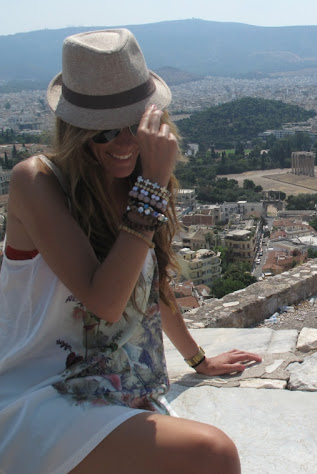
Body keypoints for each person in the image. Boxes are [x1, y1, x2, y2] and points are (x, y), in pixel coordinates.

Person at [0, 28, 261, 474]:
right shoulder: (37, 181)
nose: (123, 143)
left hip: (118, 386)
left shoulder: (132, 184)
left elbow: (151, 285)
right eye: (104, 131)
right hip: (43, 392)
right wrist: (153, 186)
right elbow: (104, 301)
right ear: (76, 129)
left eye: (135, 126)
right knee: (213, 452)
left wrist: (198, 359)